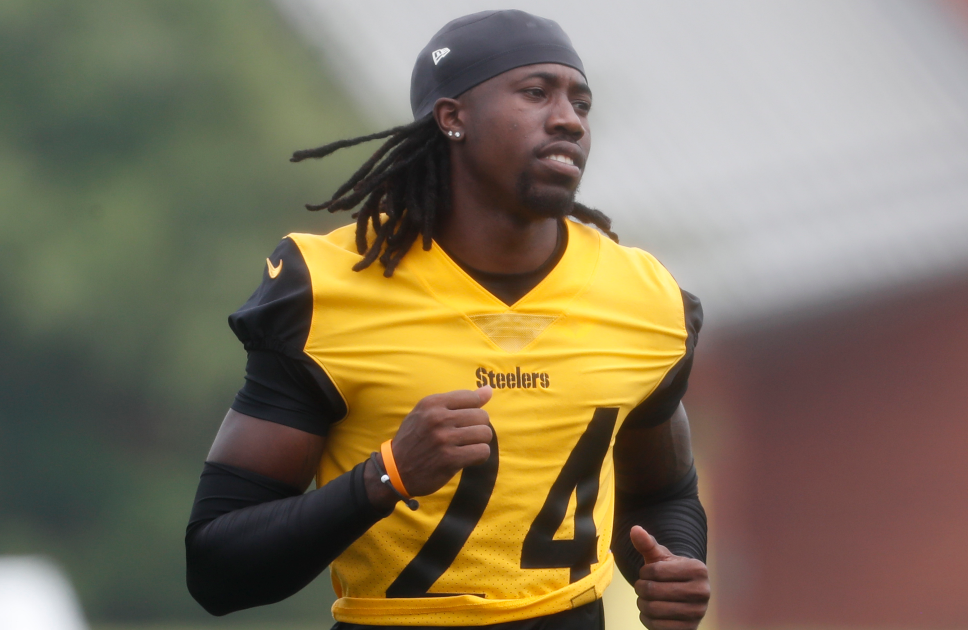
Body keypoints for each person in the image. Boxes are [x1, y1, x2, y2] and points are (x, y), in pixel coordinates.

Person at [185, 10, 708, 630]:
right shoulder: (330, 287)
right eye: (536, 93)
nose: (569, 118)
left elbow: (663, 493)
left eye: (581, 102)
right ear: (452, 117)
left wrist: (674, 565)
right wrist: (388, 474)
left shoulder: (643, 297)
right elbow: (217, 568)